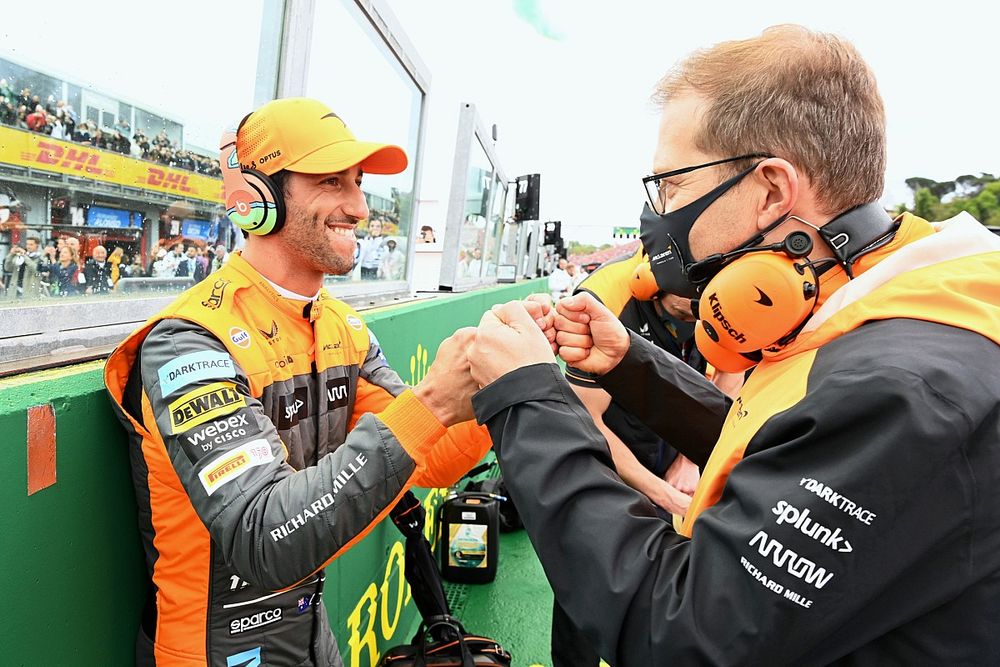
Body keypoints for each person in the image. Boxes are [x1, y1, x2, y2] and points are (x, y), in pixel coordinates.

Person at [465, 25, 1000, 666]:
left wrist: (526, 395)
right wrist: (632, 368)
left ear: (772, 191)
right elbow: (790, 444)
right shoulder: (887, 312)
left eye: (672, 185)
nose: (660, 216)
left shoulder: (904, 388)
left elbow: (685, 636)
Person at [103, 97, 491, 666]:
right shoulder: (188, 342)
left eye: (358, 183)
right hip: (209, 653)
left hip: (311, 638)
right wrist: (432, 402)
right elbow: (264, 538)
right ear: (254, 200)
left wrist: (497, 375)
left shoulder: (342, 326)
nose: (359, 206)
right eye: (332, 181)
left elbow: (435, 462)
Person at [551, 248, 714, 667]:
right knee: (586, 579)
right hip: (606, 462)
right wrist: (665, 494)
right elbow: (588, 423)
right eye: (689, 300)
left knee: (666, 586)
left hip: (668, 461)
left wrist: (690, 460)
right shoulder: (609, 303)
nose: (698, 310)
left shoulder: (717, 298)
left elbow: (728, 374)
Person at [3, 234, 45, 299]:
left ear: (37, 246)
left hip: (30, 292)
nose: (28, 246)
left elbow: (36, 269)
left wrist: (25, 256)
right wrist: (11, 255)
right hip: (14, 291)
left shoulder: (41, 258)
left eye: (31, 244)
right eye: (27, 244)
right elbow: (7, 268)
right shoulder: (20, 256)